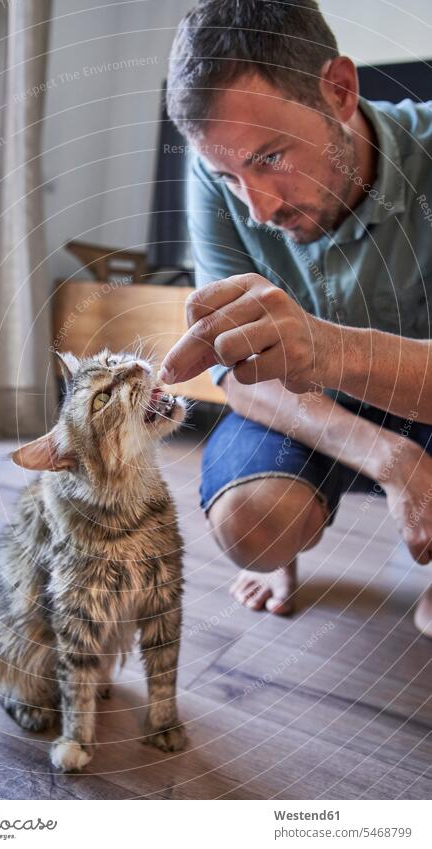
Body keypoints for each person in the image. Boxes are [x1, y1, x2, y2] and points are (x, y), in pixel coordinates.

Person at [160, 0, 432, 635]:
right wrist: (390, 457)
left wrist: (325, 348)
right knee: (252, 525)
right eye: (229, 176)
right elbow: (235, 373)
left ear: (337, 90)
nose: (257, 209)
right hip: (317, 409)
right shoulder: (214, 173)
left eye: (271, 158)